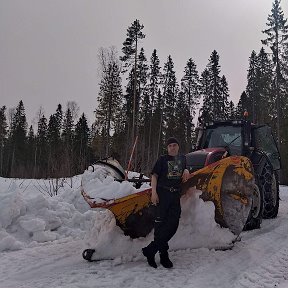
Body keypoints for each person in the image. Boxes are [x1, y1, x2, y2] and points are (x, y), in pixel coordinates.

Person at [142, 137, 190, 268]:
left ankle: (150, 250)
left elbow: (186, 169)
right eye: (170, 146)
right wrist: (153, 192)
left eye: (175, 145)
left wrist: (186, 170)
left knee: (173, 224)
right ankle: (163, 255)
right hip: (162, 194)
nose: (172, 147)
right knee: (160, 225)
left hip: (175, 196)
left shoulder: (182, 159)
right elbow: (154, 176)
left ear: (178, 147)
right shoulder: (162, 160)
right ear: (167, 148)